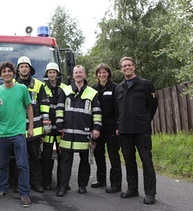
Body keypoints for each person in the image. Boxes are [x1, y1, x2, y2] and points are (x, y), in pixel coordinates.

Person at [0, 61, 33, 208]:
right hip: (3, 133)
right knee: (3, 164)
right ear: (1, 75)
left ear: (14, 73)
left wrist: (30, 127)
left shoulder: (22, 88)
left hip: (19, 133)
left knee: (22, 165)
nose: (6, 73)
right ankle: (2, 189)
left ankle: (25, 194)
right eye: (4, 72)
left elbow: (29, 107)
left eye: (9, 71)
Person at [114, 57, 158, 205]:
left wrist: (144, 120)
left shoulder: (145, 84)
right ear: (121, 69)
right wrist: (118, 126)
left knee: (146, 161)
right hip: (125, 131)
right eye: (124, 66)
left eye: (129, 65)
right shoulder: (118, 88)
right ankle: (132, 189)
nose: (127, 68)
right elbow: (117, 110)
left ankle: (150, 193)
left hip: (141, 131)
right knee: (129, 161)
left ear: (134, 67)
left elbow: (153, 106)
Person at [55, 65, 102, 197]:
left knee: (84, 161)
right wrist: (59, 123)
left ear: (85, 74)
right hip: (67, 132)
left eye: (81, 72)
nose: (78, 75)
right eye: (76, 73)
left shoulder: (92, 93)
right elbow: (59, 108)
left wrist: (97, 128)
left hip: (84, 132)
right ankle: (63, 187)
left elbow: (97, 112)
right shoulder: (65, 90)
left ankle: (82, 186)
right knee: (65, 161)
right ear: (73, 75)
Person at [15, 56, 50, 193]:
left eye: (26, 66)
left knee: (35, 157)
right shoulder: (12, 83)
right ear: (18, 69)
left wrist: (46, 122)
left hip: (34, 128)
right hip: (17, 127)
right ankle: (21, 185)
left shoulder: (39, 84)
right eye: (21, 66)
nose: (24, 68)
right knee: (19, 159)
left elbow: (45, 104)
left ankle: (36, 183)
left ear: (30, 69)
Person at [91, 63, 122, 193]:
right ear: (97, 75)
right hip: (98, 128)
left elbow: (119, 109)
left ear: (108, 74)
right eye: (99, 73)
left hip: (111, 128)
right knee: (98, 154)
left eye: (104, 72)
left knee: (113, 155)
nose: (102, 75)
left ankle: (116, 184)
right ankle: (101, 180)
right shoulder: (93, 89)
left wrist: (118, 126)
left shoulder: (116, 88)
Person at [41, 62, 68, 190]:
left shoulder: (65, 87)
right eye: (50, 72)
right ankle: (46, 182)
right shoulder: (42, 87)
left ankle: (63, 183)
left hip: (61, 126)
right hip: (47, 127)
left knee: (63, 158)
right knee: (46, 157)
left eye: (54, 72)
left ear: (57, 74)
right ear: (47, 74)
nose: (52, 74)